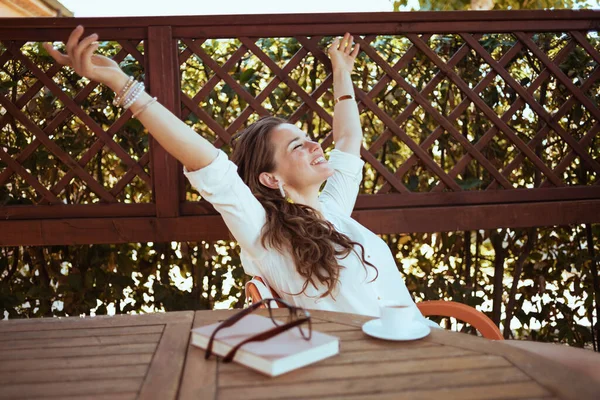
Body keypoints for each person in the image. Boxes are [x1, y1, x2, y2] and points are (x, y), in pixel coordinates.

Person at [43, 25, 600, 382]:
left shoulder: (332, 209)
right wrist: (125, 87)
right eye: (295, 146)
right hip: (373, 377)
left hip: (425, 349)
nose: (313, 145)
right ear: (269, 178)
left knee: (581, 368)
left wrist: (341, 75)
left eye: (309, 137)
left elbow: (348, 144)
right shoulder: (260, 227)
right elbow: (206, 161)